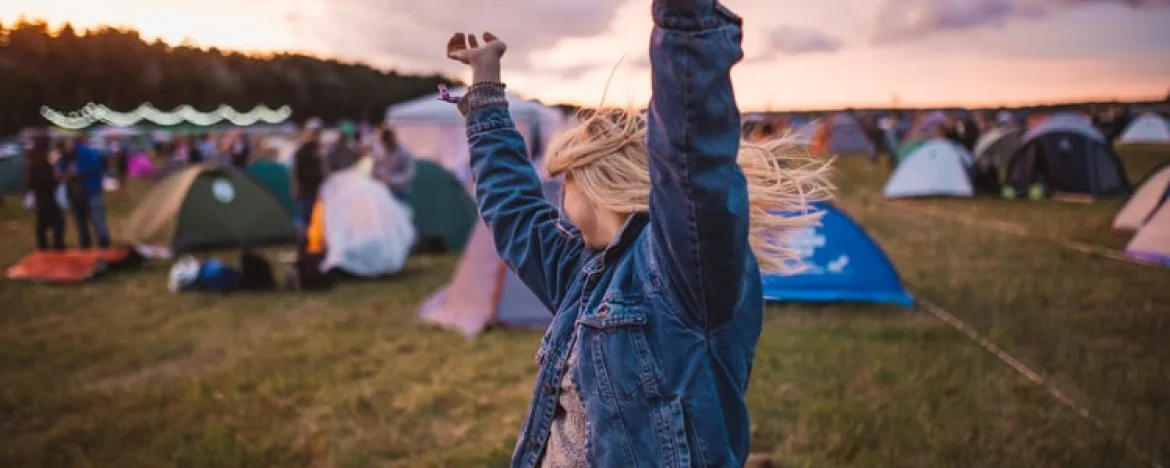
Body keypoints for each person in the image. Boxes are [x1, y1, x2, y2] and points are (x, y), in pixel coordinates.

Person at [443, 1, 833, 464]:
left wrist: (685, 22)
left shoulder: (679, 270)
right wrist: (486, 90)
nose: (553, 190)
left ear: (589, 180)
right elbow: (513, 211)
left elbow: (692, 156)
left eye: (561, 176)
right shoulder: (582, 274)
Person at [57, 136, 111, 248]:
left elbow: (95, 166)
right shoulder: (64, 158)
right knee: (80, 221)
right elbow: (61, 172)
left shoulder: (86, 152)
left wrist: (78, 172)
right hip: (75, 193)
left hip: (91, 191)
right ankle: (85, 244)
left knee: (97, 219)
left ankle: (104, 244)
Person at [25, 135, 65, 250]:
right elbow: (45, 179)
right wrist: (56, 180)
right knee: (57, 223)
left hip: (41, 197)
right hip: (46, 196)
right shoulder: (41, 162)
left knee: (42, 224)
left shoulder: (33, 161)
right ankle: (57, 247)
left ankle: (43, 247)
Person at [372, 126, 416, 203]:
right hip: (383, 192)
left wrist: (392, 180)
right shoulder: (379, 151)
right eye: (385, 143)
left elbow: (410, 174)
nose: (387, 146)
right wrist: (377, 181)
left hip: (400, 193)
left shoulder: (404, 152)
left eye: (389, 142)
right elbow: (375, 170)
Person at [292, 127, 324, 227]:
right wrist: (319, 175)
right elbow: (301, 173)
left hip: (313, 190)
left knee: (310, 218)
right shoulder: (304, 152)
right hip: (306, 191)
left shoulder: (315, 151)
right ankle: (302, 239)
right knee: (305, 218)